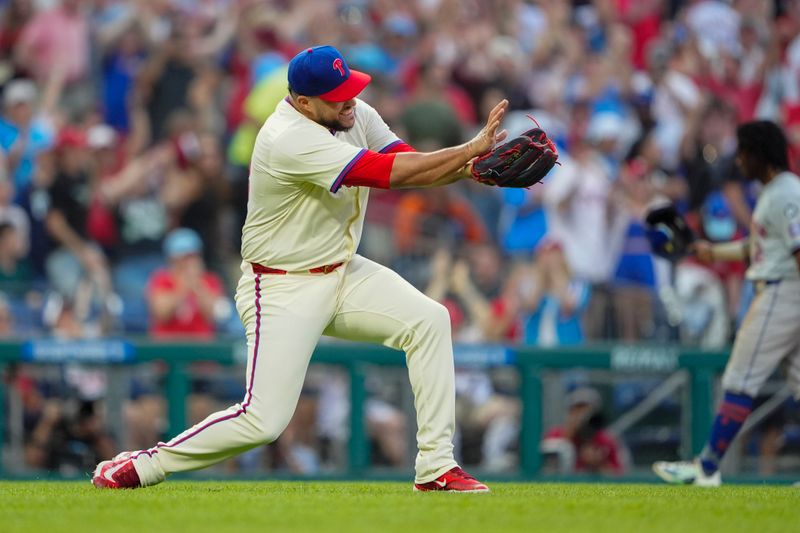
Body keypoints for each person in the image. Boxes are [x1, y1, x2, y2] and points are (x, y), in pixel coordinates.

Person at [92, 45, 509, 492]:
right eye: (337, 95)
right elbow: (394, 174)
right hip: (280, 287)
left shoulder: (353, 113)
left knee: (429, 320)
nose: (349, 100)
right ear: (304, 102)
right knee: (262, 421)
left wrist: (468, 169)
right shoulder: (286, 137)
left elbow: (410, 162)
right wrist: (470, 150)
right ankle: (145, 465)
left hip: (342, 271)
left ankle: (436, 468)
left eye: (349, 88)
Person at [653, 120, 800, 486]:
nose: (740, 160)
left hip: (783, 293)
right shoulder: (776, 190)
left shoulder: (785, 193)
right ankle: (707, 466)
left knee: (740, 377)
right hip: (782, 286)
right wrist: (712, 251)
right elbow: (759, 248)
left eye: (746, 153)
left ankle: (706, 468)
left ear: (761, 155)